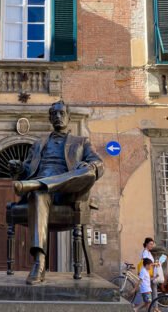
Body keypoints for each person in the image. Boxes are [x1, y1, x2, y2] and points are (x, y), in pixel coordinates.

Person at [9, 100, 104, 285]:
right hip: (43, 194)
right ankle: (40, 261)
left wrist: (90, 165)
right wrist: (18, 168)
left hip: (68, 192)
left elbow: (99, 163)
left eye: (62, 114)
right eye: (55, 114)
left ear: (68, 117)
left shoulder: (81, 142)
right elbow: (27, 170)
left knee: (88, 172)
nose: (59, 117)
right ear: (50, 118)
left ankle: (41, 184)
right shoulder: (37, 144)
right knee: (38, 193)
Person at [140, 237, 162, 312]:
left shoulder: (148, 252)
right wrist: (155, 264)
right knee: (153, 290)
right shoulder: (145, 252)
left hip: (149, 273)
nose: (152, 246)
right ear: (146, 244)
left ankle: (155, 308)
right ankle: (154, 309)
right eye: (150, 244)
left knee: (153, 290)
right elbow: (147, 263)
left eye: (153, 244)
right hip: (147, 274)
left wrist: (155, 263)